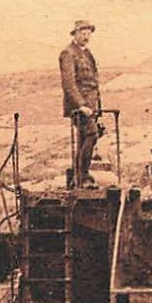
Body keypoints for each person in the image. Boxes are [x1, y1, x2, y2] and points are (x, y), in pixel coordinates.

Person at [58, 19, 103, 188]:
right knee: (92, 134)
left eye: (88, 33)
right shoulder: (68, 53)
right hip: (80, 107)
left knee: (85, 138)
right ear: (74, 34)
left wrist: (96, 107)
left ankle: (77, 175)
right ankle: (82, 176)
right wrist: (81, 105)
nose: (85, 36)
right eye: (82, 33)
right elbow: (68, 83)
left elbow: (94, 83)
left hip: (91, 106)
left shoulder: (88, 53)